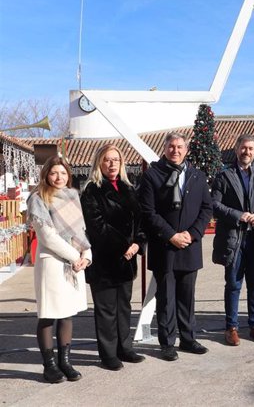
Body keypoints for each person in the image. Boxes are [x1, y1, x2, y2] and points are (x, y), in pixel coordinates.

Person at [138, 132, 213, 361]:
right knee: (166, 298)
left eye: (180, 147)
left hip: (189, 245)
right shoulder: (152, 175)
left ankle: (188, 339)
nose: (176, 151)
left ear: (186, 149)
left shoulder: (197, 176)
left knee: (187, 297)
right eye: (171, 146)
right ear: (165, 148)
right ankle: (167, 343)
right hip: (165, 246)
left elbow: (206, 209)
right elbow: (148, 212)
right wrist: (171, 235)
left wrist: (192, 234)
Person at [80, 144, 147, 370]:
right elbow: (97, 227)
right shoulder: (92, 190)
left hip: (127, 260)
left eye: (116, 160)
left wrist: (138, 243)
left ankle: (124, 348)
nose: (112, 164)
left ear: (122, 162)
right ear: (99, 162)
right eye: (107, 160)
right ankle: (108, 354)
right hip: (105, 260)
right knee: (106, 310)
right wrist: (124, 246)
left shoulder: (129, 188)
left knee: (124, 307)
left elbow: (140, 220)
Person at [27, 155, 92, 383]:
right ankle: (50, 365)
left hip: (73, 265)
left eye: (63, 173)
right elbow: (48, 236)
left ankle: (66, 362)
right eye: (54, 173)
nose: (59, 177)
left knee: (67, 314)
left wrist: (87, 255)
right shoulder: (38, 198)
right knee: (48, 314)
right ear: (46, 174)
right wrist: (75, 256)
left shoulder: (72, 196)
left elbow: (80, 231)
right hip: (53, 263)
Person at [212, 133, 254, 346]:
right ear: (236, 149)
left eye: (250, 149)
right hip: (234, 238)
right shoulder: (224, 176)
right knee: (233, 284)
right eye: (243, 148)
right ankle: (231, 327)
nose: (246, 152)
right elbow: (215, 205)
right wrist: (237, 215)